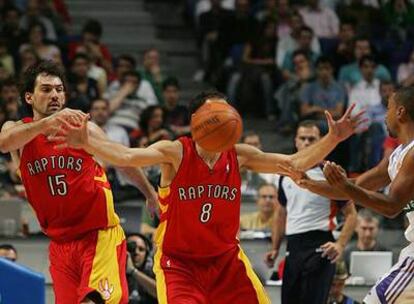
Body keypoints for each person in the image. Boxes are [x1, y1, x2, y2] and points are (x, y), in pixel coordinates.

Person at [54, 90, 363, 303]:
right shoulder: (175, 152)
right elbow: (124, 155)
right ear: (197, 120)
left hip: (226, 260)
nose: (220, 117)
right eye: (213, 113)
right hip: (180, 263)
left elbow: (294, 163)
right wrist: (87, 143)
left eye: (224, 112)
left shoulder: (239, 155)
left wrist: (333, 137)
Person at [0, 61, 157, 304]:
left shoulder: (82, 129)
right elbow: (4, 143)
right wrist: (46, 124)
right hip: (61, 243)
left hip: (98, 236)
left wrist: (150, 194)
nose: (55, 95)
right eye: (46, 89)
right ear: (29, 97)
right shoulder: (17, 131)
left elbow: (123, 161)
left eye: (59, 89)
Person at [287, 86, 414, 303]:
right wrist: (308, 183)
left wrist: (346, 187)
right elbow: (357, 185)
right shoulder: (397, 155)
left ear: (400, 112)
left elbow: (392, 206)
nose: (385, 115)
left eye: (388, 108)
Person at [264, 120, 358, 304]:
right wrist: (275, 248)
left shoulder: (330, 173)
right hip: (293, 247)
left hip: (321, 245)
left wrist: (340, 245)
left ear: (320, 142)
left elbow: (352, 214)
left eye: (311, 139)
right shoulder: (285, 175)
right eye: (303, 138)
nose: (307, 143)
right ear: (296, 141)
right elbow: (281, 212)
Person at [126, 233, 157, 304]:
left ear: (147, 253)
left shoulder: (154, 272)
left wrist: (133, 271)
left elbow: (161, 293)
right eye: (131, 248)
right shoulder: (115, 272)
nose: (136, 252)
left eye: (141, 249)